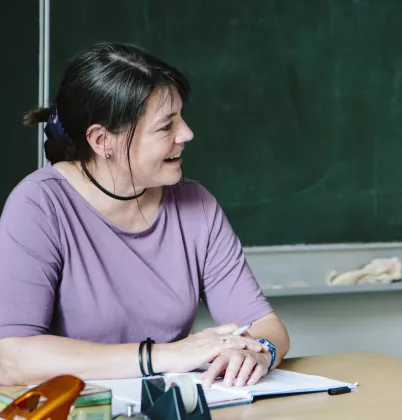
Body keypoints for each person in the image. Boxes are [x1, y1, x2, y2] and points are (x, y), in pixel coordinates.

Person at [0, 42, 290, 388]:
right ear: (101, 140)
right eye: (166, 126)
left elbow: (264, 325)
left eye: (181, 118)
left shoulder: (195, 204)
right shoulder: (39, 205)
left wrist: (259, 351)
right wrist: (164, 355)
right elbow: (12, 357)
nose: (187, 134)